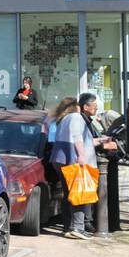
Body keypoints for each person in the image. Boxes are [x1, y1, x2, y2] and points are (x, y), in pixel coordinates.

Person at [52, 92, 106, 239]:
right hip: (72, 159)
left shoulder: (63, 119)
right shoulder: (76, 117)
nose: (95, 107)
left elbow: (82, 140)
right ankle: (77, 228)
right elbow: (77, 138)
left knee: (68, 194)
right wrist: (81, 156)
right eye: (94, 105)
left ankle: (68, 227)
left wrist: (101, 140)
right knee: (79, 193)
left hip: (60, 158)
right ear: (79, 107)